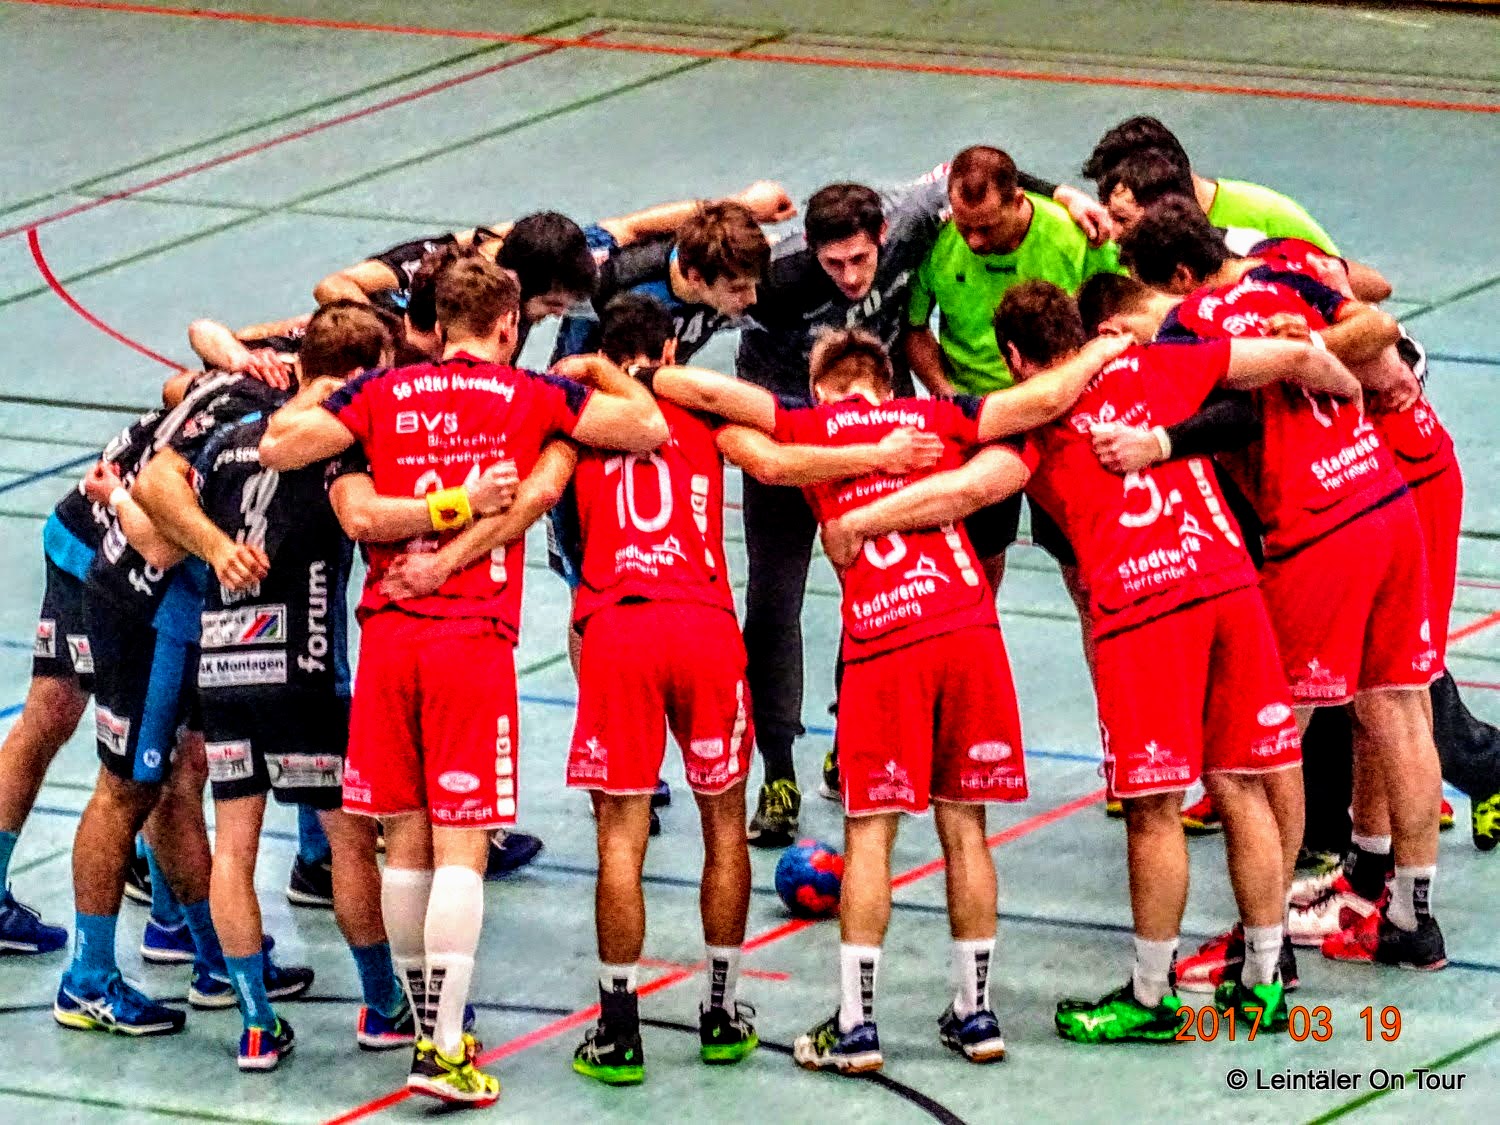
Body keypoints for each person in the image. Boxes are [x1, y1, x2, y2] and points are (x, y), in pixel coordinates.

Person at [257, 252, 668, 1105]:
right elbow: (646, 427)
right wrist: (589, 369)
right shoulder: (529, 394)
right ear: (509, 326)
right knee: (462, 844)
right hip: (469, 637)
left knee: (404, 840)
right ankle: (443, 1050)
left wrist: (319, 390)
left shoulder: (381, 393)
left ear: (437, 326)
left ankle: (426, 1028)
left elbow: (280, 444)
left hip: (387, 635)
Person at [717, 327, 1125, 1073]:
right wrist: (1099, 352)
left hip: (884, 638)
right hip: (968, 625)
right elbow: (1034, 408)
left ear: (820, 389)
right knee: (966, 829)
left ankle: (857, 1025)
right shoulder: (937, 418)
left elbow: (745, 439)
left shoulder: (810, 425)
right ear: (889, 385)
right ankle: (976, 1014)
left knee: (870, 834)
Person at [984, 282, 1351, 1038]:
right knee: (1241, 784)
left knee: (1153, 808)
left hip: (1144, 609)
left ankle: (1151, 998)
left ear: (1015, 357)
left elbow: (980, 473)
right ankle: (1263, 982)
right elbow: (1284, 359)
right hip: (1227, 583)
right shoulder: (1157, 362)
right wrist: (1345, 381)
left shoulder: (1027, 413)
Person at [133, 303, 492, 1070]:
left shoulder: (231, 437)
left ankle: (256, 1024)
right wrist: (461, 503)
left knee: (235, 846)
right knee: (349, 842)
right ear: (360, 375)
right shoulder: (340, 440)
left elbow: (158, 479)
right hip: (303, 665)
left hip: (225, 663)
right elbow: (366, 517)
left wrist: (216, 547)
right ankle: (384, 1006)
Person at [1117, 199, 1448, 971]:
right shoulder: (1286, 275)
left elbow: (1231, 414)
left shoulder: (1190, 324)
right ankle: (1411, 918)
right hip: (1382, 493)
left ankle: (1264, 948)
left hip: (1316, 527)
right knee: (1399, 705)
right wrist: (1312, 352)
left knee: (1262, 744)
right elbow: (1377, 327)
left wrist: (1159, 435)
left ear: (1179, 276)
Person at [733, 168, 1111, 843]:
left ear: (883, 235)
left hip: (894, 437)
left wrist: (1066, 194)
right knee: (773, 603)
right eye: (834, 265)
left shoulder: (909, 220)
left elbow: (966, 168)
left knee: (877, 587)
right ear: (811, 253)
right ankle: (778, 774)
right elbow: (758, 423)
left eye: (861, 260)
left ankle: (847, 742)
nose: (851, 277)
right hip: (801, 436)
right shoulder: (776, 284)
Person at [53, 368, 313, 1037]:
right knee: (126, 791)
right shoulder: (249, 430)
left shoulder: (260, 388)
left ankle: (215, 958)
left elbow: (185, 375)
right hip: (145, 616)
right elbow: (155, 531)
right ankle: (87, 980)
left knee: (177, 780)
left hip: (181, 617)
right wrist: (217, 547)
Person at [0, 366, 200, 955]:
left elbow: (179, 381)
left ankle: (169, 912)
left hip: (82, 533)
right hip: (124, 562)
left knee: (55, 718)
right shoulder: (292, 408)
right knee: (152, 757)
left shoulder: (264, 363)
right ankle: (166, 924)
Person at [1081, 115, 1340, 253]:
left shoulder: (1270, 218)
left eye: (1122, 217)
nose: (1112, 231)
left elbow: (1344, 296)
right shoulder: (1109, 235)